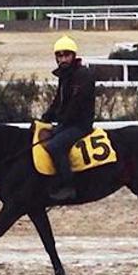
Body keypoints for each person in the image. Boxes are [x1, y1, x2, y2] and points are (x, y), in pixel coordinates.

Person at [41, 35, 96, 200]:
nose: (63, 59)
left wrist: (60, 120)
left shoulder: (83, 75)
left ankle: (68, 185)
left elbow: (76, 104)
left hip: (80, 125)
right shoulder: (65, 75)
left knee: (55, 146)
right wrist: (45, 118)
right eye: (60, 56)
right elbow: (58, 100)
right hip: (67, 123)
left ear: (73, 56)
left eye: (66, 55)